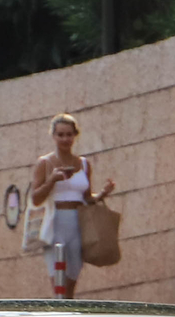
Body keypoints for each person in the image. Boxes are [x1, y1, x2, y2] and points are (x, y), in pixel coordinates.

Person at [28, 113, 114, 296]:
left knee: (71, 281)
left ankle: (68, 316)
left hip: (78, 223)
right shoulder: (45, 163)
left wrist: (102, 194)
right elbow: (35, 198)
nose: (65, 139)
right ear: (53, 136)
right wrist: (52, 180)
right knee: (58, 282)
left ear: (75, 135)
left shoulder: (83, 163)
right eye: (60, 135)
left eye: (69, 134)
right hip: (55, 222)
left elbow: (86, 196)